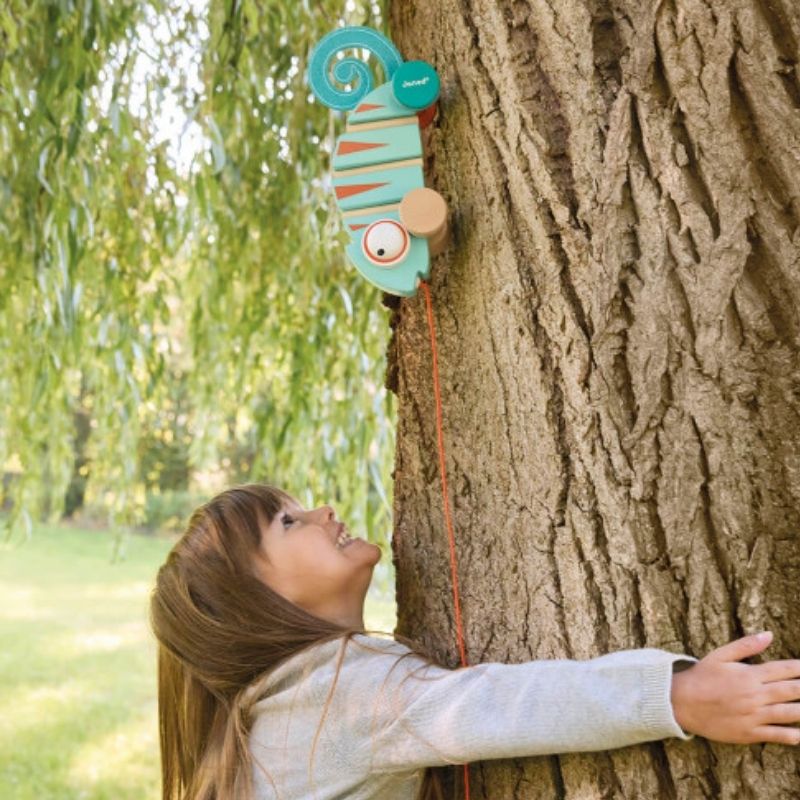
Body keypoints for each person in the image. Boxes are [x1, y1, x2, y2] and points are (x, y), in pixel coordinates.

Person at [148, 483, 800, 800]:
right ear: (256, 604)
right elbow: (497, 704)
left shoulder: (280, 712)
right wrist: (676, 697)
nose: (324, 512)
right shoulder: (338, 693)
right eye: (290, 522)